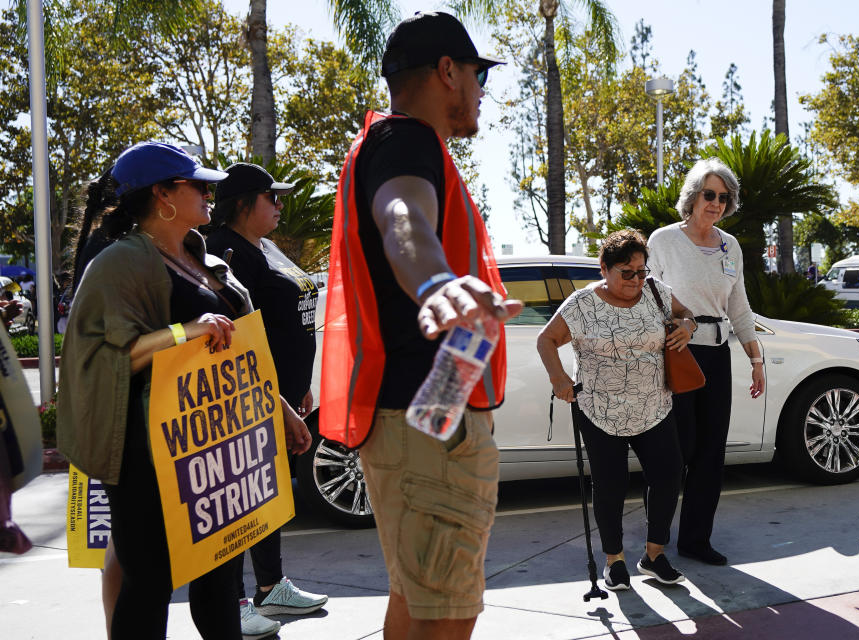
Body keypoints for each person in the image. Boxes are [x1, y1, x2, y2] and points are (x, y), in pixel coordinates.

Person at [317, 12, 522, 640]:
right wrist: (434, 282)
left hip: (420, 412)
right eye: (478, 74)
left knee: (418, 598)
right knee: (446, 612)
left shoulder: (381, 141)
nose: (481, 89)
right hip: (428, 420)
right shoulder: (408, 142)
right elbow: (402, 216)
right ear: (446, 72)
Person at [56, 141, 311, 640]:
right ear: (163, 194)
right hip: (145, 456)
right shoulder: (120, 263)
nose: (209, 192)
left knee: (219, 583)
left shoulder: (206, 257)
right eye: (198, 184)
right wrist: (185, 331)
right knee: (148, 584)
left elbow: (243, 349)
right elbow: (106, 355)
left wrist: (281, 410)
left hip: (216, 453)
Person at [205, 163, 327, 638]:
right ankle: (232, 601)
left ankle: (271, 586)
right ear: (242, 204)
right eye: (270, 198)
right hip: (248, 400)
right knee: (238, 499)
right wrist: (277, 398)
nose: (279, 205)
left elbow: (291, 320)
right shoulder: (224, 254)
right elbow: (237, 341)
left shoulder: (269, 247)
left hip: (284, 395)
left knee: (268, 497)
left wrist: (301, 384)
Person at [537, 229, 692, 589]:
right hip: (600, 410)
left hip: (655, 405)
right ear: (604, 269)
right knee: (611, 486)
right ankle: (614, 561)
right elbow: (546, 339)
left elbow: (686, 315)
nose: (637, 279)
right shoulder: (581, 304)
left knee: (669, 477)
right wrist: (559, 378)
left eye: (641, 271)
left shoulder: (656, 292)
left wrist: (686, 325)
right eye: (627, 272)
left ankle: (654, 555)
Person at [646, 157, 765, 566]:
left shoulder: (729, 246)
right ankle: (654, 543)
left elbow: (738, 303)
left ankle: (696, 541)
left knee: (711, 454)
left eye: (723, 197)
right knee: (675, 453)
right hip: (678, 352)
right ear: (693, 197)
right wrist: (678, 325)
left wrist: (755, 358)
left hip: (717, 353)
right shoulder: (663, 240)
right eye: (708, 194)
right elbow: (650, 296)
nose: (715, 203)